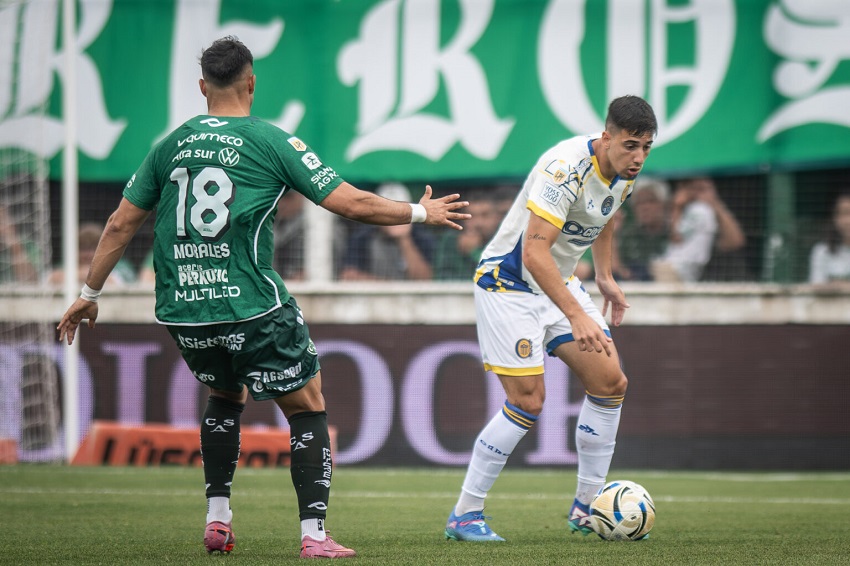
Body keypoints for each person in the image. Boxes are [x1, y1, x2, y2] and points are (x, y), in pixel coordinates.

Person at [56, 36, 469, 559]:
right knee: (308, 406)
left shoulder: (170, 145)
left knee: (226, 396)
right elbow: (352, 203)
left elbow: (120, 224)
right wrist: (420, 213)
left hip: (184, 308)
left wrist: (89, 293)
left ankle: (218, 519)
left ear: (202, 87)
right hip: (251, 304)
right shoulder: (271, 141)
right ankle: (314, 535)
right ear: (252, 83)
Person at [444, 95, 658, 542]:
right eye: (630, 145)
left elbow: (606, 214)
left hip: (556, 282)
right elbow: (533, 253)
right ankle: (465, 515)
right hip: (508, 284)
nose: (639, 157)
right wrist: (576, 314)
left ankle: (587, 507)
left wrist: (605, 277)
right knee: (528, 401)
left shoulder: (624, 171)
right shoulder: (563, 169)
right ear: (607, 137)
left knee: (610, 383)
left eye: (646, 147)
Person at [340, 182, 435, 281]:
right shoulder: (363, 236)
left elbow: (424, 279)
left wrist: (404, 239)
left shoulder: (421, 236)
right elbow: (348, 276)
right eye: (388, 211)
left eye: (400, 211)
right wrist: (389, 285)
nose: (394, 217)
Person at [612, 177, 670, 281]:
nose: (645, 207)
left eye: (651, 201)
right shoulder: (628, 236)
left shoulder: (673, 234)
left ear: (664, 204)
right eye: (639, 202)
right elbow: (616, 270)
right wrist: (612, 235)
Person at [433, 195, 502, 280]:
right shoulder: (451, 240)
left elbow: (501, 276)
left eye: (485, 215)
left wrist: (473, 252)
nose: (478, 223)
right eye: (471, 216)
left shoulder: (506, 240)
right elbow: (441, 278)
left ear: (497, 218)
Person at [48, 222, 135, 286]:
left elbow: (122, 285)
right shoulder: (66, 265)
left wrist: (83, 275)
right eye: (83, 248)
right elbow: (50, 279)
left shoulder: (119, 265)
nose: (87, 255)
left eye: (93, 248)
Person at [809, 190, 850, 287]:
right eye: (844, 213)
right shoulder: (821, 251)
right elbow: (815, 286)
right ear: (835, 218)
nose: (848, 221)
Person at [0, 204, 40, 284]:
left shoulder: (28, 246)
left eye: (2, 222)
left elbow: (33, 281)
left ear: (12, 224)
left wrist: (14, 245)